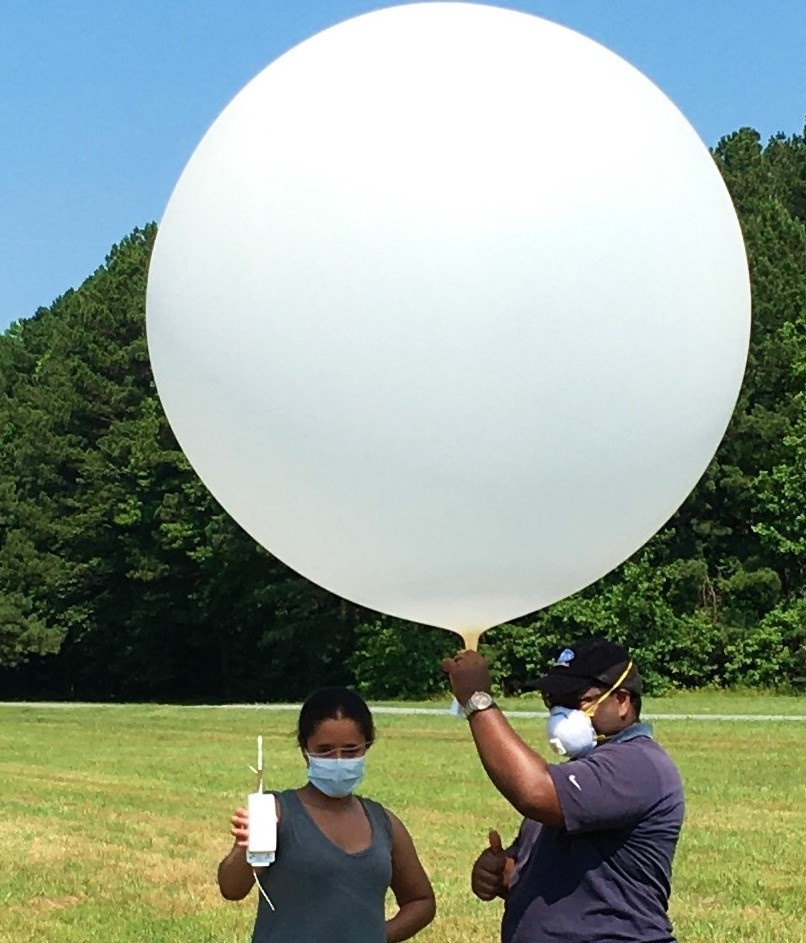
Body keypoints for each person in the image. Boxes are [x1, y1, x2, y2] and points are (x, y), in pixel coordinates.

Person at [442, 637, 685, 943]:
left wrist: (477, 700)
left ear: (622, 701)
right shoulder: (579, 770)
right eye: (552, 700)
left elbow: (533, 792)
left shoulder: (638, 764)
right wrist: (508, 871)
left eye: (574, 701)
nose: (559, 713)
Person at [217, 686, 436, 943]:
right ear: (305, 750)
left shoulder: (385, 824)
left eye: (351, 750)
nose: (339, 760)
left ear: (367, 747)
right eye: (325, 750)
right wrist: (246, 850)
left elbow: (421, 901)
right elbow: (231, 888)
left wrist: (377, 936)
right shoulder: (275, 813)